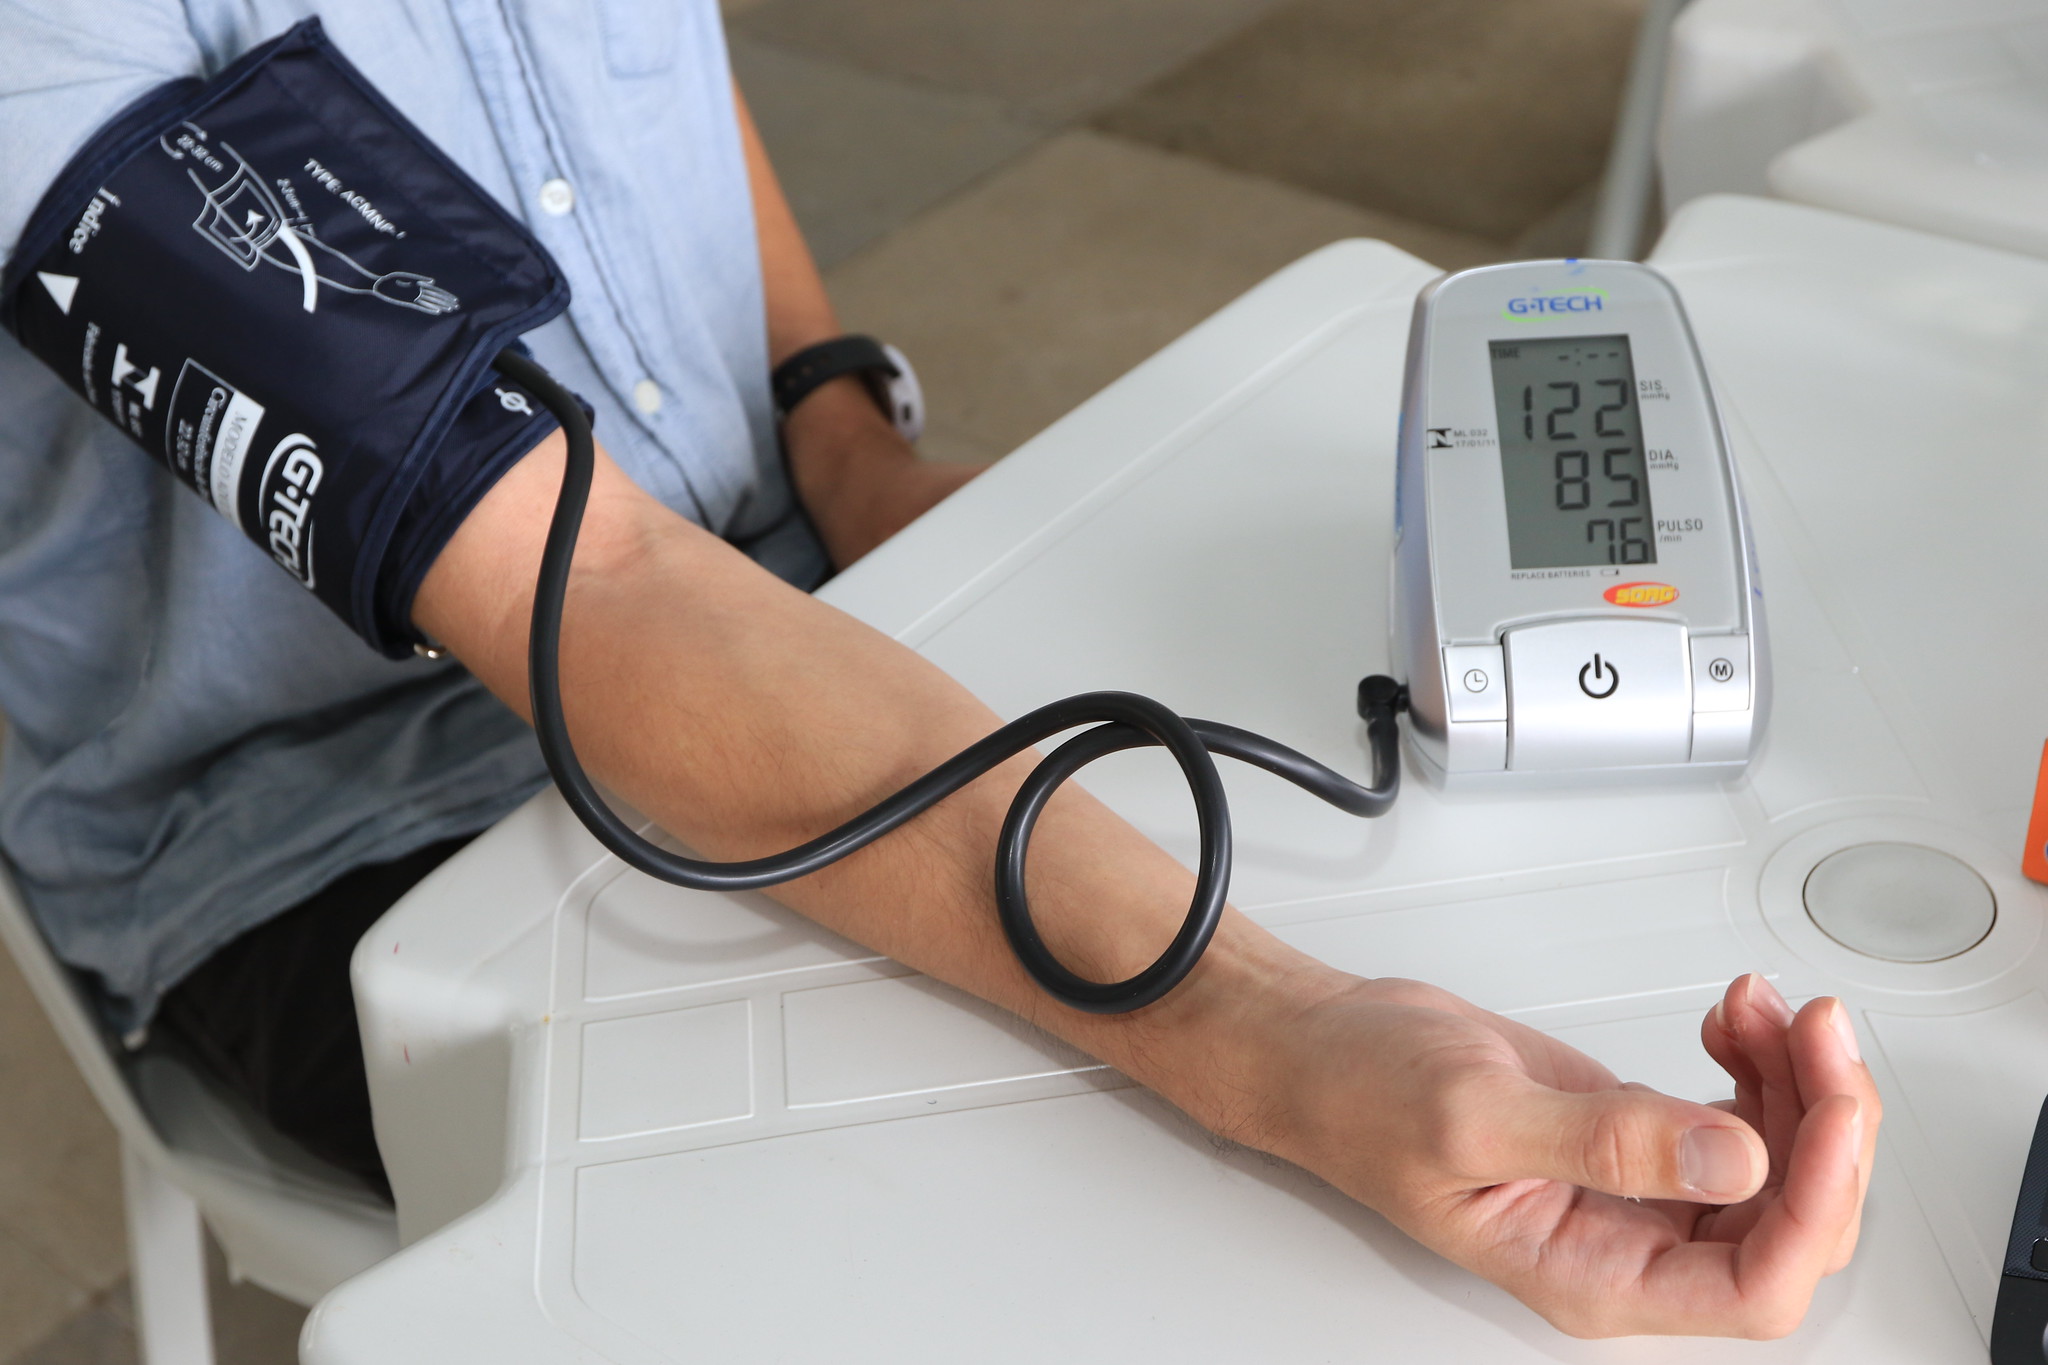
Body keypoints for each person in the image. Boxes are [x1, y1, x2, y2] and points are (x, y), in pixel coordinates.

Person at [0, 0, 1878, 1340]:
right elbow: (600, 580)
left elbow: (646, 76)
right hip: (325, 810)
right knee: (1014, 1239)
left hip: (773, 566)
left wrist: (836, 421)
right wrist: (1279, 1031)